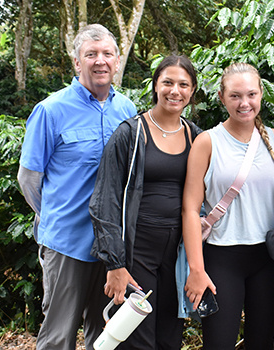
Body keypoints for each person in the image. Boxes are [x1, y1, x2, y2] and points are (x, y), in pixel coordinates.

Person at [17, 24, 136, 350]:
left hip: (111, 247)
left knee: (108, 334)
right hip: (67, 243)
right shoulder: (50, 111)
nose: (100, 61)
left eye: (107, 54)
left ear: (117, 60)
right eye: (91, 54)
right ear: (76, 62)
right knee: (59, 335)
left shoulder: (126, 110)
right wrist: (54, 215)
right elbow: (28, 179)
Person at [88, 54, 202, 350]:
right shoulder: (131, 133)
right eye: (167, 82)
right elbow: (104, 200)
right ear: (155, 86)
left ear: (192, 91)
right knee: (135, 338)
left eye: (183, 84)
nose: (174, 91)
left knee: (169, 337)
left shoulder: (196, 137)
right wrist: (115, 264)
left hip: (176, 256)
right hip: (136, 251)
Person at [181, 62, 274, 350]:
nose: (244, 103)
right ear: (222, 97)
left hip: (268, 257)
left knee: (261, 342)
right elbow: (190, 210)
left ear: (262, 94)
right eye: (235, 96)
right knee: (219, 343)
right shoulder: (207, 142)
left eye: (251, 94)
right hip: (221, 257)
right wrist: (196, 269)